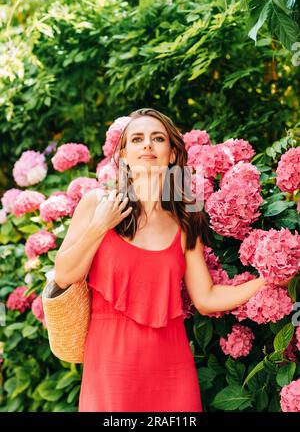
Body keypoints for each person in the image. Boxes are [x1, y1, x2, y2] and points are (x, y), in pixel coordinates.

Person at [54, 108, 267, 412]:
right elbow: (63, 275)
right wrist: (101, 225)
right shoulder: (96, 204)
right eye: (137, 139)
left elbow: (205, 298)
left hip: (171, 368)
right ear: (124, 155)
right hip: (110, 369)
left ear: (170, 154)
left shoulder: (185, 219)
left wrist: (265, 280)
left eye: (157, 138)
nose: (147, 146)